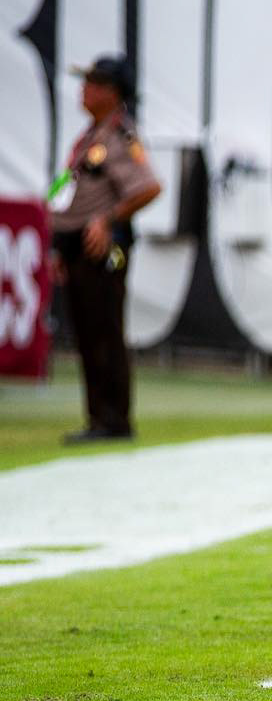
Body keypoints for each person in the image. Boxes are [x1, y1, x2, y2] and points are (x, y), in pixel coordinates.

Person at [47, 54, 162, 444]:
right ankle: (99, 417)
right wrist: (60, 246)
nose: (84, 90)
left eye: (93, 84)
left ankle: (113, 420)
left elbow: (149, 187)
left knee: (104, 328)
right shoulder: (90, 136)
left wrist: (107, 220)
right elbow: (68, 192)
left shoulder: (120, 136)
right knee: (86, 330)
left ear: (112, 92)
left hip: (107, 249)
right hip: (78, 247)